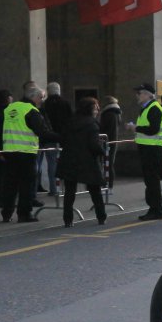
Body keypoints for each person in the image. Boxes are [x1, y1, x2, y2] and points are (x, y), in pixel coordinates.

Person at [0, 84, 56, 223]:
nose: (42, 101)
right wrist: (63, 138)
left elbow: (0, 129)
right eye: (41, 97)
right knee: (27, 185)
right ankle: (24, 214)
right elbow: (42, 132)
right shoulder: (31, 110)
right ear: (33, 97)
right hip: (26, 152)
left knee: (10, 184)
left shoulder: (9, 108)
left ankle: (6, 213)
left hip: (9, 151)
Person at [58, 96, 108, 228]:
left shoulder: (70, 122)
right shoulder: (92, 124)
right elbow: (94, 145)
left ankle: (68, 219)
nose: (97, 110)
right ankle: (101, 216)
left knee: (69, 192)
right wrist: (102, 151)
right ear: (90, 109)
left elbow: (63, 139)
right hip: (87, 161)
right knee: (95, 190)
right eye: (95, 108)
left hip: (69, 159)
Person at [131, 84, 162, 221]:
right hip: (147, 148)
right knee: (150, 181)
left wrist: (136, 128)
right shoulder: (147, 108)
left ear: (148, 94)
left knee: (152, 181)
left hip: (152, 149)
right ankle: (153, 209)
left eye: (139, 93)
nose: (137, 96)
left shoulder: (154, 108)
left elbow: (153, 129)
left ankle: (156, 210)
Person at [40, 81, 72, 196]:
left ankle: (54, 189)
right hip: (64, 138)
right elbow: (71, 120)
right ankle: (68, 187)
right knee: (66, 162)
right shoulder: (66, 103)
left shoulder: (44, 104)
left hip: (48, 137)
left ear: (48, 91)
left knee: (51, 163)